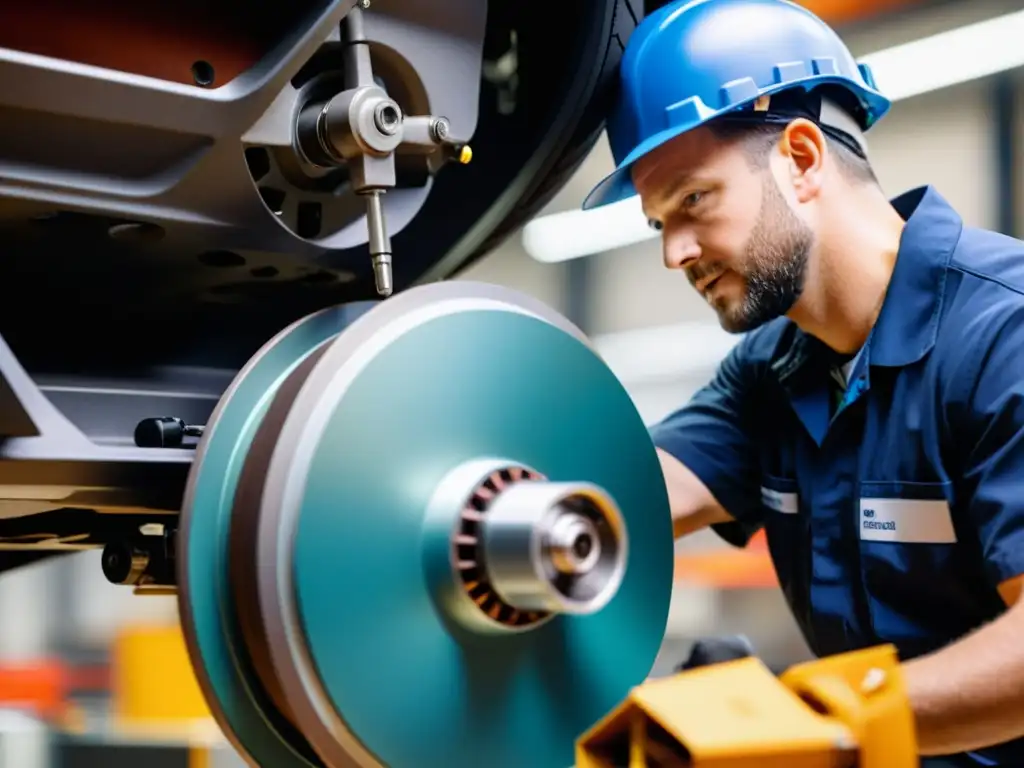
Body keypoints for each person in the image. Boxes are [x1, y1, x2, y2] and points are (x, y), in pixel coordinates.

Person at [581, 0, 1024, 765]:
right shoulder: (773, 366)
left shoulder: (1001, 336)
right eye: (659, 223)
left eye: (693, 199)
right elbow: (634, 496)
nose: (673, 253)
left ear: (802, 156)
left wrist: (808, 716)